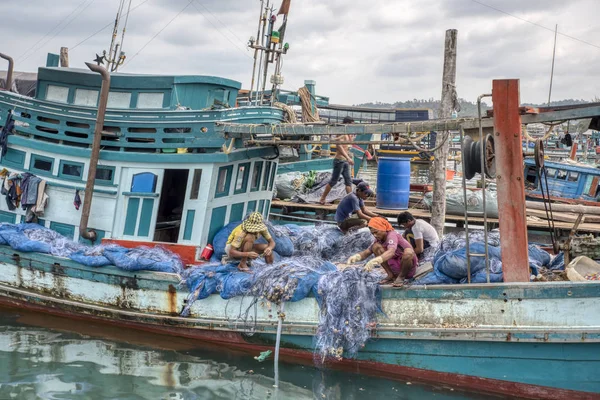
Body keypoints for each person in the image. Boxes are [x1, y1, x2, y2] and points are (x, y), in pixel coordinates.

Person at [346, 217, 417, 287]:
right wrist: (355, 257)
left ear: (383, 228)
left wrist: (375, 261)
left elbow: (391, 252)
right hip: (395, 266)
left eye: (376, 232)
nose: (375, 235)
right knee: (375, 247)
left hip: (407, 268)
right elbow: (367, 252)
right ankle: (391, 275)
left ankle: (401, 277)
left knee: (408, 252)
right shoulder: (379, 240)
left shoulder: (392, 235)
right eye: (372, 233)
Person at [318, 116, 355, 204]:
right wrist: (348, 158)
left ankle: (351, 201)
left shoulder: (347, 133)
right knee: (333, 181)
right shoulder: (341, 132)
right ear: (347, 124)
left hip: (345, 161)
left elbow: (348, 144)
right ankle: (322, 198)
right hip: (339, 161)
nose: (352, 126)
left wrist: (351, 136)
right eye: (351, 124)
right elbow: (339, 146)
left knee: (348, 181)